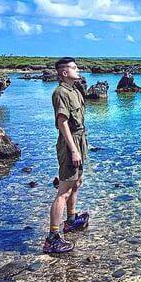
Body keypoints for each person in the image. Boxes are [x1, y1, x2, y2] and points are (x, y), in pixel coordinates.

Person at [43, 57, 90, 254]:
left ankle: (70, 221)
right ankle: (52, 238)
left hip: (79, 139)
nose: (77, 69)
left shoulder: (75, 91)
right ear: (64, 73)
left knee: (76, 182)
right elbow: (62, 123)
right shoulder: (60, 93)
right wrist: (73, 149)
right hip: (69, 142)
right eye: (73, 67)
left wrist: (81, 145)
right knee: (64, 189)